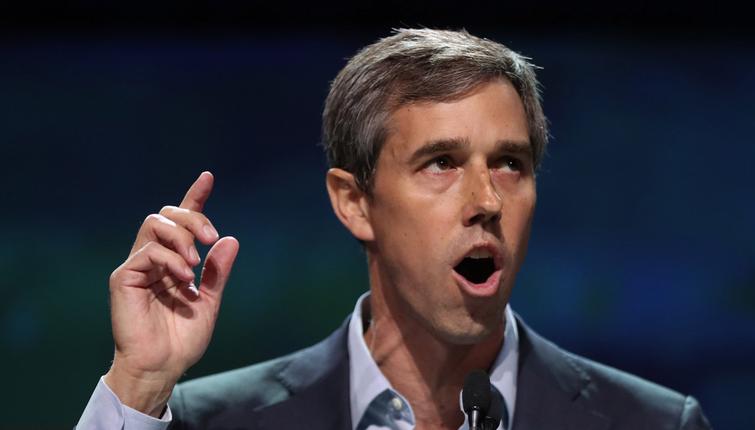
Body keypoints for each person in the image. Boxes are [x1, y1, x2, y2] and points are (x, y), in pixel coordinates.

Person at [77, 29, 712, 430]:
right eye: (441, 163)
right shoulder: (210, 421)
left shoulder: (652, 423)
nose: (487, 199)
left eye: (510, 164)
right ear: (354, 203)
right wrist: (142, 381)